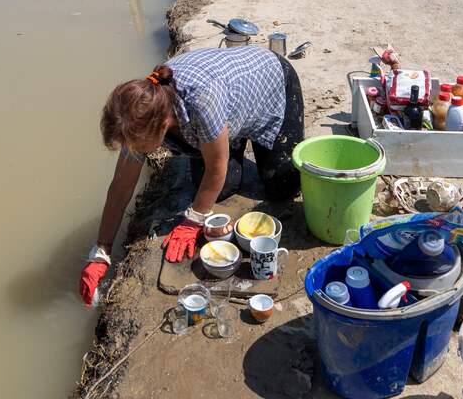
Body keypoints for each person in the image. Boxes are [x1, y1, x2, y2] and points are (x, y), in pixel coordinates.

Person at [79, 46, 304, 305]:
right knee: (221, 188)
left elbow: (216, 168)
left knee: (283, 187)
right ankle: (230, 138)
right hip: (225, 106)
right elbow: (120, 188)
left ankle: (234, 138)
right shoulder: (140, 112)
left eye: (137, 148)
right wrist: (101, 250)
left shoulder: (200, 100)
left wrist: (192, 221)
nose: (134, 152)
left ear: (163, 125)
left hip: (270, 84)